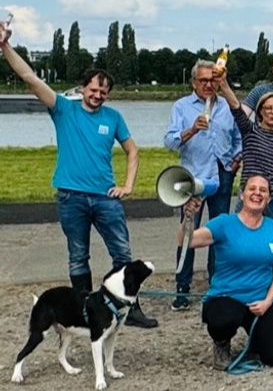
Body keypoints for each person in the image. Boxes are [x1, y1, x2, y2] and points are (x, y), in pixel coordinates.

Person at [0, 28, 158, 328]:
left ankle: (130, 307)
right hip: (71, 196)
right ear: (82, 88)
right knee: (77, 256)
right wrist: (5, 46)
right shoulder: (63, 109)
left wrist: (127, 185)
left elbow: (132, 150)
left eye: (103, 92)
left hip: (105, 197)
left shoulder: (113, 117)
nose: (98, 95)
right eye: (93, 90)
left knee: (123, 253)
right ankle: (84, 310)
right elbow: (30, 78)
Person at [185, 175, 273, 370]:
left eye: (263, 190)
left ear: (268, 198)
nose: (257, 193)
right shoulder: (224, 223)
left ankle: (256, 339)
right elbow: (188, 241)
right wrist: (189, 218)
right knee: (224, 318)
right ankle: (221, 342)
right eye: (252, 189)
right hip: (226, 298)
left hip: (259, 302)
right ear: (241, 195)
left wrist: (268, 301)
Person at [163, 59, 242, 311]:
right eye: (204, 80)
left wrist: (235, 160)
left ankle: (217, 283)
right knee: (188, 230)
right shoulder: (182, 106)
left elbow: (239, 136)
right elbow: (169, 142)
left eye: (213, 80)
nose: (209, 85)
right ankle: (182, 287)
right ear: (194, 82)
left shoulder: (227, 107)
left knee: (219, 231)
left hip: (222, 172)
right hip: (193, 175)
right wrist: (191, 130)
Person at [214, 74, 273, 226]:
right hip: (252, 196)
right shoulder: (250, 131)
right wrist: (223, 84)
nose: (272, 112)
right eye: (268, 108)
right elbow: (237, 109)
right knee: (242, 238)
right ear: (260, 111)